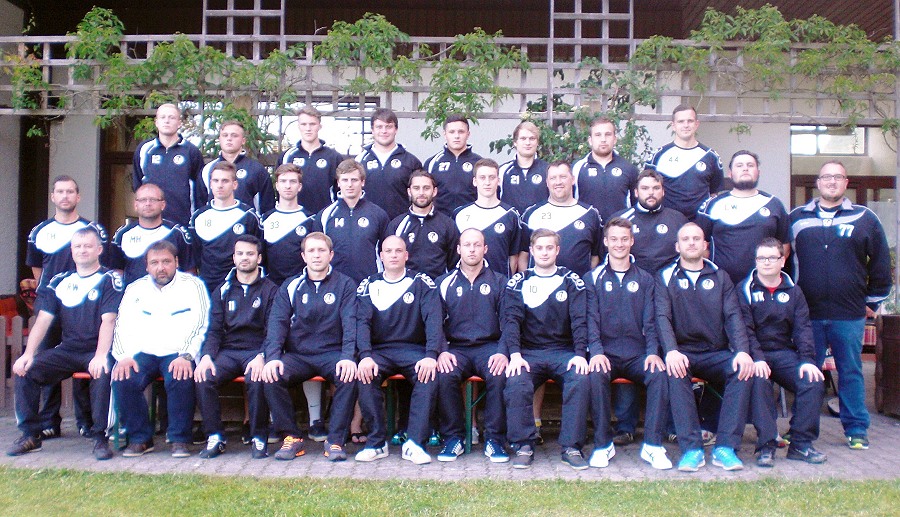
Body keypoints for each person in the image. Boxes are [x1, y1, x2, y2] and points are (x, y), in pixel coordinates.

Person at [790, 161, 891, 450]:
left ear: (846, 183)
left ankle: (856, 429)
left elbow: (881, 261)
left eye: (838, 177)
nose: (831, 182)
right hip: (807, 313)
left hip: (849, 312)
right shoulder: (796, 218)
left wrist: (873, 299)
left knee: (850, 371)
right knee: (806, 372)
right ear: (818, 183)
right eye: (826, 177)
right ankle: (800, 429)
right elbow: (784, 261)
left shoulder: (864, 218)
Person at [8, 228, 123, 460]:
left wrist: (101, 355)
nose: (82, 250)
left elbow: (109, 320)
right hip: (68, 349)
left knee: (103, 372)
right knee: (26, 370)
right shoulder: (59, 281)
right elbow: (43, 319)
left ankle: (100, 437)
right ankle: (30, 435)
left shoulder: (110, 279)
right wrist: (28, 354)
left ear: (99, 249)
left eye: (88, 246)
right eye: (78, 246)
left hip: (98, 349)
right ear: (71, 251)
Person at [655, 223, 755, 472]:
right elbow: (662, 317)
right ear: (677, 246)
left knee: (742, 370)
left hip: (715, 352)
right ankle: (692, 449)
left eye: (696, 238)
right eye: (686, 239)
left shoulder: (720, 276)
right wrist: (671, 351)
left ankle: (726, 448)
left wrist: (742, 351)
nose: (691, 243)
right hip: (682, 352)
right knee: (675, 371)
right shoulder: (665, 276)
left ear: (705, 245)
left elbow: (733, 316)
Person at [261, 232, 359, 461]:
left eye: (321, 250)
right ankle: (292, 437)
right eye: (311, 251)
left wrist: (348, 356)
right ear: (303, 256)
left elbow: (350, 323)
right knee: (271, 375)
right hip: (299, 355)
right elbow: (277, 323)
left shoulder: (345, 284)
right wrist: (273, 357)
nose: (316, 255)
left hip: (332, 354)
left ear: (331, 255)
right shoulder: (291, 285)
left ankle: (335, 441)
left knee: (349, 376)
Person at [585, 218, 672, 470]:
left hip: (637, 355)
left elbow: (651, 322)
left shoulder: (646, 279)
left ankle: (653, 446)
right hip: (606, 354)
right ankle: (603, 445)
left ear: (632, 241)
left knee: (658, 374)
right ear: (605, 242)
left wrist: (652, 353)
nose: (619, 244)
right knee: (595, 375)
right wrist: (596, 352)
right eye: (614, 239)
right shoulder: (592, 278)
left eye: (624, 239)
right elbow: (590, 320)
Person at [26, 175, 109, 439]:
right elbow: (37, 270)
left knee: (85, 358)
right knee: (48, 359)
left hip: (84, 305)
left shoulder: (91, 231)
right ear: (53, 197)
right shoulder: (39, 231)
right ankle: (49, 421)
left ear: (78, 196)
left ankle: (86, 421)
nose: (65, 196)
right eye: (60, 192)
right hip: (51, 303)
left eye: (70, 191)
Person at [111, 240, 211, 458]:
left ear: (176, 262)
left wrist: (186, 355)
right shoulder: (135, 289)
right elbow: (122, 325)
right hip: (143, 351)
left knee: (180, 375)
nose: (161, 267)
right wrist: (124, 356)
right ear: (147, 266)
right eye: (154, 263)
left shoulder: (193, 286)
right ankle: (140, 438)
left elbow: (201, 324)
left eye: (166, 261)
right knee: (123, 378)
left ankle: (179, 439)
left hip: (178, 351)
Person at [502, 229, 591, 470]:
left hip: (563, 352)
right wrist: (515, 355)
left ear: (557, 250)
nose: (544, 252)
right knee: (516, 380)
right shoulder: (519, 281)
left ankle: (571, 447)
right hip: (529, 353)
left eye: (549, 248)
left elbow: (580, 320)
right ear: (531, 251)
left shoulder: (571, 280)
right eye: (539, 248)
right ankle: (523, 445)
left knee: (580, 378)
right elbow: (511, 321)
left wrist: (580, 354)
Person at [355, 236, 444, 464]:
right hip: (379, 352)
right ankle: (376, 443)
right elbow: (362, 323)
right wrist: (365, 356)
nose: (393, 255)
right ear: (381, 256)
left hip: (414, 350)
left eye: (398, 251)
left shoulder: (422, 282)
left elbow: (433, 320)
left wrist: (431, 355)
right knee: (364, 375)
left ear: (406, 255)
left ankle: (414, 443)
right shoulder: (369, 284)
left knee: (429, 375)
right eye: (388, 251)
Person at [739, 238, 827, 467]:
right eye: (761, 258)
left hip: (783, 353)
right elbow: (744, 330)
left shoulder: (794, 291)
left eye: (772, 257)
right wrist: (756, 358)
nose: (766, 262)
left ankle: (800, 444)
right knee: (759, 383)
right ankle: (766, 446)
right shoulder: (745, 289)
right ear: (756, 261)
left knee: (813, 381)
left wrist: (807, 360)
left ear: (782, 260)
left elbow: (803, 329)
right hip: (755, 354)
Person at [194, 235, 278, 459]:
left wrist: (263, 356)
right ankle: (215, 437)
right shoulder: (223, 289)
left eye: (250, 253)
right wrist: (206, 356)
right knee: (204, 376)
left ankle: (259, 437)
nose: (244, 258)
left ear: (259, 258)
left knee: (257, 378)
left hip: (257, 351)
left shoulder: (271, 290)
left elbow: (274, 331)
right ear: (233, 258)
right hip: (229, 352)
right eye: (240, 253)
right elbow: (214, 329)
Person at [435, 229, 510, 463]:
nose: (472, 249)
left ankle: (495, 439)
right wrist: (442, 351)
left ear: (485, 249)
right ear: (458, 249)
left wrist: (502, 352)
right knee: (444, 374)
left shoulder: (500, 282)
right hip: (456, 348)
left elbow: (510, 322)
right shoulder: (444, 282)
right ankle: (453, 438)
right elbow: (434, 323)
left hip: (490, 347)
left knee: (500, 374)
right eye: (467, 245)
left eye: (477, 245)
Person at [697, 150, 790, 285]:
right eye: (739, 165)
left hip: (761, 285)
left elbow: (785, 246)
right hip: (721, 285)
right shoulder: (711, 205)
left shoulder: (774, 204)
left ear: (758, 172)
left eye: (750, 165)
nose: (745, 168)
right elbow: (699, 245)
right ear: (730, 173)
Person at [519, 161, 603, 277]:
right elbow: (523, 256)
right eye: (553, 178)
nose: (558, 182)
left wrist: (584, 282)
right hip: (539, 286)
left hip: (578, 287)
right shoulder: (531, 214)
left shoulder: (590, 214)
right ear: (547, 182)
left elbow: (595, 257)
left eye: (563, 177)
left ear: (572, 179)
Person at [189, 161, 263, 291]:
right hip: (208, 285)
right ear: (210, 184)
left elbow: (259, 251)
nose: (220, 185)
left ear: (234, 185)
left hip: (240, 286)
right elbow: (195, 254)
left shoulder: (249, 216)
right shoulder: (198, 217)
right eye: (216, 181)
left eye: (225, 181)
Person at [316, 159, 391, 284]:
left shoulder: (378, 214)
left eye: (354, 180)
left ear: (362, 182)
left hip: (370, 283)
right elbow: (317, 251)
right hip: (334, 285)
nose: (349, 185)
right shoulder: (325, 215)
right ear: (338, 183)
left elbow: (387, 251)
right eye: (345, 180)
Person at [132, 103, 206, 226]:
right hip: (151, 223)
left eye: (171, 117)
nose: (167, 121)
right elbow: (138, 185)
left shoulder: (191, 151)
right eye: (163, 117)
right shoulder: (144, 150)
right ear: (156, 122)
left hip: (183, 222)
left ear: (179, 123)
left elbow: (200, 190)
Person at [645, 105, 723, 220]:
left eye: (690, 121)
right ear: (673, 125)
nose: (686, 125)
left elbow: (714, 194)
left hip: (699, 223)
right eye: (681, 121)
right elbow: (647, 189)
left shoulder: (711, 157)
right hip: (667, 222)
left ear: (697, 124)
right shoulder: (658, 156)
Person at [111, 183, 194, 286]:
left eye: (153, 200)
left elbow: (189, 271)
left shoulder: (177, 233)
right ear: (136, 205)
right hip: (133, 294)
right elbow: (116, 270)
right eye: (143, 200)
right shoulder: (122, 234)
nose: (148, 204)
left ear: (163, 205)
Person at [454, 158, 523, 276]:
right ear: (475, 181)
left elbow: (514, 256)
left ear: (498, 181)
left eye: (492, 177)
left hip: (500, 283)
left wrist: (505, 281)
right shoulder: (459, 214)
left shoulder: (510, 215)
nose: (487, 182)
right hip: (467, 283)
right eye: (482, 178)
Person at [386, 170, 460, 279]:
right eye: (416, 188)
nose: (421, 193)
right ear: (409, 191)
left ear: (434, 191)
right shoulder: (397, 225)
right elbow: (389, 261)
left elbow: (455, 263)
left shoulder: (447, 225)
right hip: (407, 286)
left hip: (437, 286)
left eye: (426, 188)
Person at [614, 170, 688, 274]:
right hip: (633, 279)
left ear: (663, 192)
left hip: (669, 280)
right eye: (645, 188)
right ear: (636, 192)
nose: (651, 193)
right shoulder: (620, 220)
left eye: (656, 188)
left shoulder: (678, 220)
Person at [354, 108, 423, 219]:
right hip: (367, 222)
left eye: (389, 127)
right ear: (372, 130)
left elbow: (420, 195)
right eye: (379, 127)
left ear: (396, 129)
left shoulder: (411, 162)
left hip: (400, 223)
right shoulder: (360, 161)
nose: (384, 131)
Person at [202, 120, 276, 214]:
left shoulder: (256, 170)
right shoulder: (208, 170)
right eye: (225, 135)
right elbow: (201, 204)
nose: (229, 139)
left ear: (243, 140)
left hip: (247, 222)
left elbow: (267, 208)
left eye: (234, 135)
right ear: (219, 139)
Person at [572, 116, 639, 221]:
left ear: (615, 139)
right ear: (590, 140)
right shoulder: (577, 168)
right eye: (598, 135)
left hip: (619, 229)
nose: (603, 139)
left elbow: (636, 206)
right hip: (587, 228)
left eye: (608, 134)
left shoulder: (629, 169)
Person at [280, 106, 345, 214]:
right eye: (304, 124)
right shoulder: (287, 156)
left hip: (325, 215)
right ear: (298, 126)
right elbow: (280, 189)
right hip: (295, 216)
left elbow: (341, 190)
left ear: (319, 126)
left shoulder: (333, 157)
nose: (308, 128)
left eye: (312, 124)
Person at [261, 163, 317, 287]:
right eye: (283, 181)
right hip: (272, 287)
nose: (288, 186)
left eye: (292, 181)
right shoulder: (265, 219)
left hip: (302, 286)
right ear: (277, 186)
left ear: (299, 186)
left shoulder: (310, 220)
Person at [423, 114, 481, 216]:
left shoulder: (479, 163)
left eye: (461, 132)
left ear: (468, 134)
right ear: (445, 134)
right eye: (452, 132)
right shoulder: (432, 163)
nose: (456, 136)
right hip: (440, 220)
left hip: (471, 219)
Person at [498, 121, 550, 213]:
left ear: (537, 142)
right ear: (515, 142)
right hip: (511, 222)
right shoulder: (503, 171)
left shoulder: (548, 170)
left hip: (539, 221)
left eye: (532, 138)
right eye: (523, 138)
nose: (528, 143)